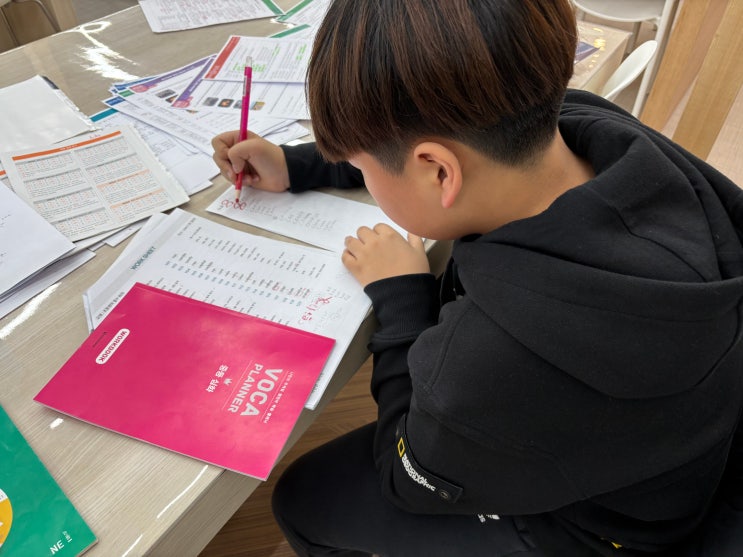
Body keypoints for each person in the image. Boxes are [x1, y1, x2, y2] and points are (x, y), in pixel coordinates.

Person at [211, 1, 743, 555]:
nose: (361, 172)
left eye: (362, 165)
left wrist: (402, 298)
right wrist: (297, 165)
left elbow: (405, 475)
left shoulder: (490, 363)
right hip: (670, 464)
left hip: (596, 529)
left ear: (439, 171)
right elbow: (436, 137)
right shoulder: (592, 127)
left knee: (302, 500)